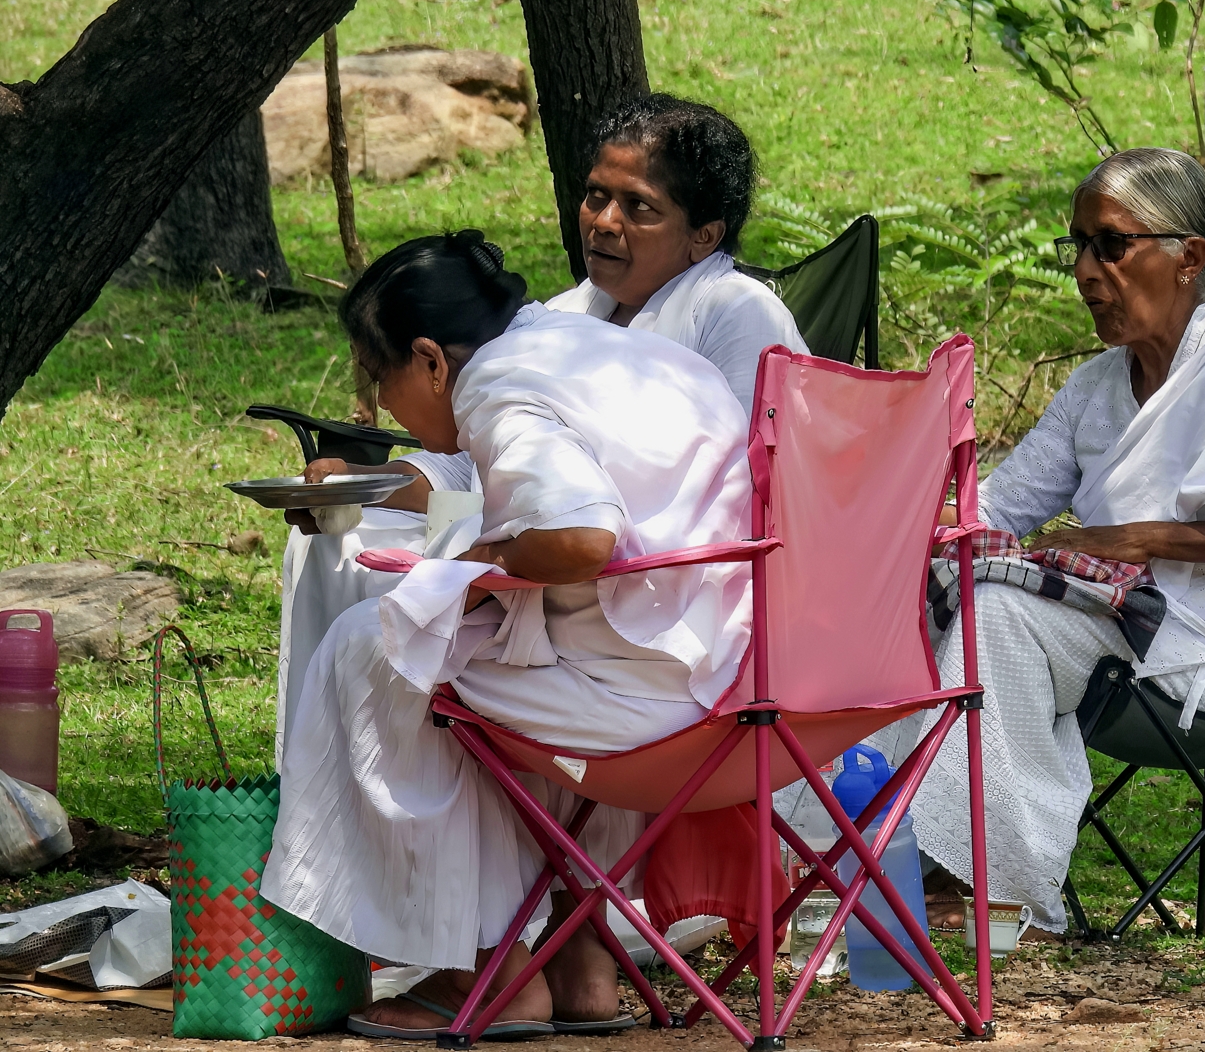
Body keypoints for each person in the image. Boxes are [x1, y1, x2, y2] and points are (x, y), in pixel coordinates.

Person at [261, 231, 752, 1038]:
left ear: (428, 361)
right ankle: (580, 958)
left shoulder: (494, 382)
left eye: (374, 375)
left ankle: (484, 973)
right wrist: (395, 491)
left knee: (380, 645)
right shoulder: (591, 345)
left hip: (649, 698)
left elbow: (579, 536)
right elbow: (503, 472)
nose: (377, 406)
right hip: (734, 670)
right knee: (491, 640)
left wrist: (485, 554)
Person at [900, 148, 1205, 937]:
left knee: (996, 614)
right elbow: (997, 508)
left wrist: (1138, 540)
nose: (1086, 271)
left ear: (1188, 257)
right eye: (1078, 247)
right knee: (924, 594)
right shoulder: (1095, 386)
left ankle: (993, 888)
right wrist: (903, 517)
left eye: (1111, 245)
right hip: (1116, 639)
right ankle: (861, 860)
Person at [275, 93, 805, 756]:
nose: (604, 223)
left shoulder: (735, 312)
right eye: (594, 196)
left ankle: (409, 831)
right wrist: (366, 485)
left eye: (637, 207)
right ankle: (316, 777)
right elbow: (483, 467)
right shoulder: (569, 313)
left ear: (704, 234)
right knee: (335, 538)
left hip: (670, 608)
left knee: (384, 637)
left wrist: (479, 565)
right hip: (562, 553)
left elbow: (747, 491)